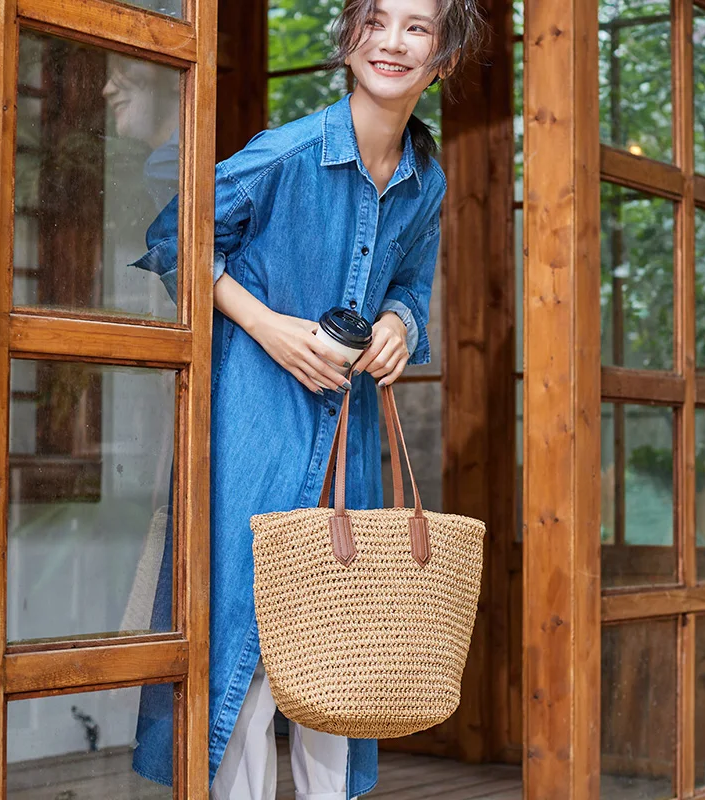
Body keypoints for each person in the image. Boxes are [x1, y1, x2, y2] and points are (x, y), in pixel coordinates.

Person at [130, 0, 485, 797]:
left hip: (346, 436)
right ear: (349, 36)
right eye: (378, 21)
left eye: (419, 27)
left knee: (343, 641)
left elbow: (410, 287)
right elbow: (172, 237)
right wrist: (270, 328)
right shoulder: (286, 154)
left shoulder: (426, 179)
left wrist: (399, 321)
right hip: (255, 422)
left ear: (445, 57)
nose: (394, 42)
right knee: (242, 649)